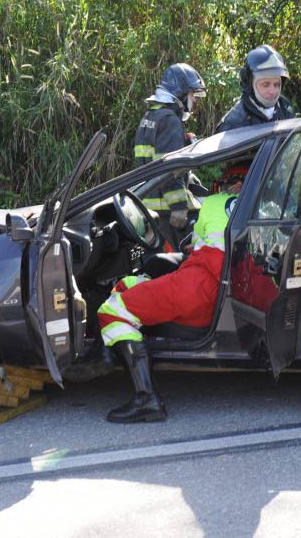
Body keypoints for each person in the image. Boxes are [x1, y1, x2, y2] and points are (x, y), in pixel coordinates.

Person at [96, 165, 247, 423]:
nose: (220, 188)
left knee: (112, 310)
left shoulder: (213, 202)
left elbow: (199, 238)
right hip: (224, 287)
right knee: (131, 284)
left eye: (223, 183)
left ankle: (146, 398)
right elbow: (211, 244)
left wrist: (195, 246)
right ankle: (109, 351)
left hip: (198, 287)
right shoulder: (261, 206)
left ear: (235, 184)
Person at [134, 63, 207, 228]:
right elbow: (167, 168)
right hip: (168, 212)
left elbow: (151, 160)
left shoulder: (151, 116)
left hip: (149, 207)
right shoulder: (170, 120)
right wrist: (179, 207)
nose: (194, 99)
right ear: (180, 93)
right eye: (192, 94)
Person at [216, 45, 295, 133]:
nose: (272, 91)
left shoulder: (285, 110)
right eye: (265, 84)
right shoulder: (233, 124)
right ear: (249, 84)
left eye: (276, 84)